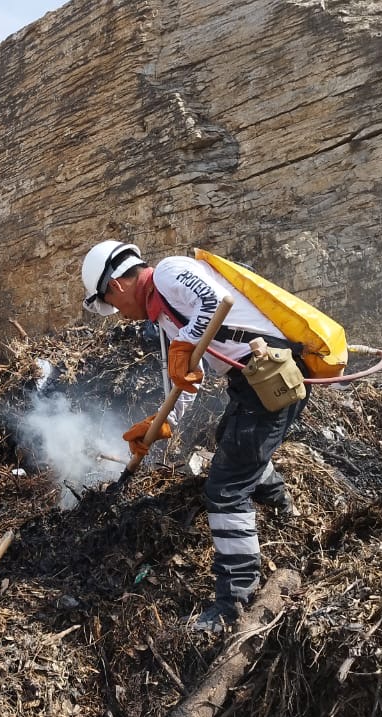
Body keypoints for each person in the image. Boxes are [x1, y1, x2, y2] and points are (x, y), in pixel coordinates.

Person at [80, 240, 304, 632]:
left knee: (226, 487)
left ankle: (236, 599)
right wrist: (161, 424)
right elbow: (184, 377)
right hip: (249, 382)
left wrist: (185, 344)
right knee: (233, 444)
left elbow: (215, 302)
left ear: (116, 286)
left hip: (272, 373)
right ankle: (282, 504)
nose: (120, 316)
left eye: (113, 306)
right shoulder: (163, 314)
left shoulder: (168, 273)